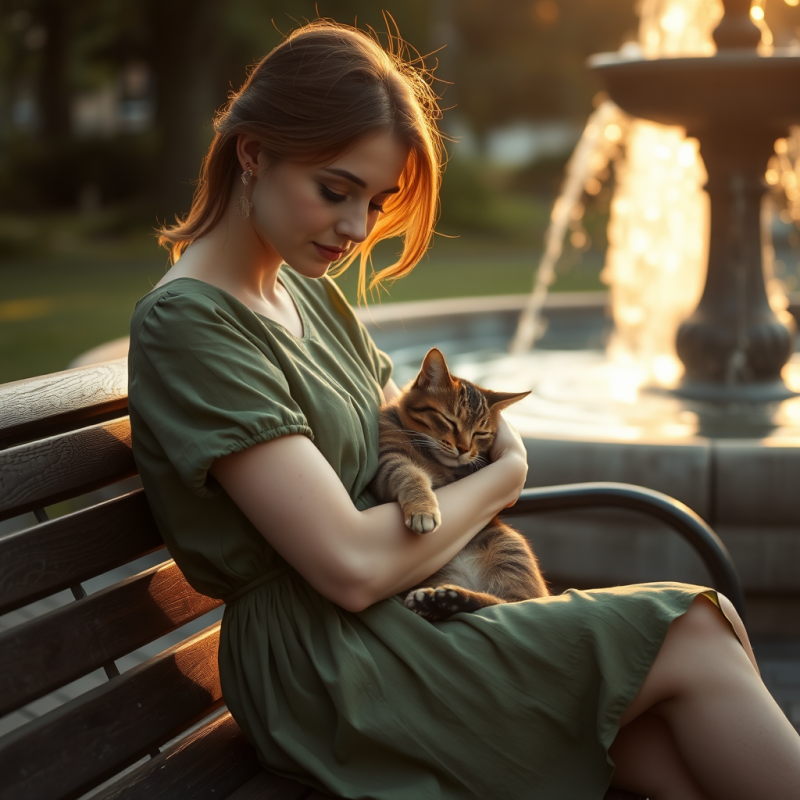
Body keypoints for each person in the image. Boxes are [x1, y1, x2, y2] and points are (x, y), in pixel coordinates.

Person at [128, 20, 800, 800]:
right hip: (332, 668)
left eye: (376, 203)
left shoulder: (306, 294)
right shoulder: (192, 325)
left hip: (408, 619)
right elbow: (347, 565)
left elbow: (396, 443)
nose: (355, 229)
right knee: (692, 631)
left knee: (680, 753)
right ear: (253, 153)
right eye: (334, 190)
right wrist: (505, 472)